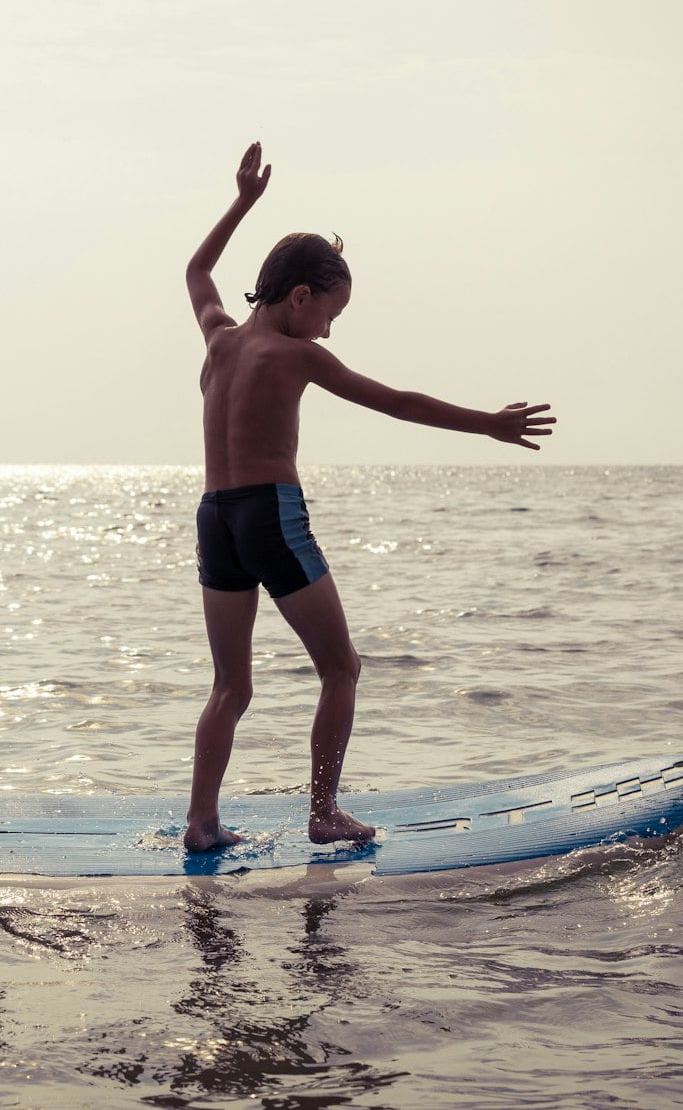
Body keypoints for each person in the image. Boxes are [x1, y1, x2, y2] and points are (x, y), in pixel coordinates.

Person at [183, 143, 556, 852]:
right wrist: (490, 424)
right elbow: (400, 403)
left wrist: (242, 201)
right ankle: (323, 813)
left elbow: (199, 270)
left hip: (215, 519)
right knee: (341, 666)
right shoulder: (298, 354)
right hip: (270, 514)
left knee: (230, 684)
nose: (330, 328)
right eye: (331, 311)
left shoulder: (219, 339)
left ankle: (201, 824)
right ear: (301, 297)